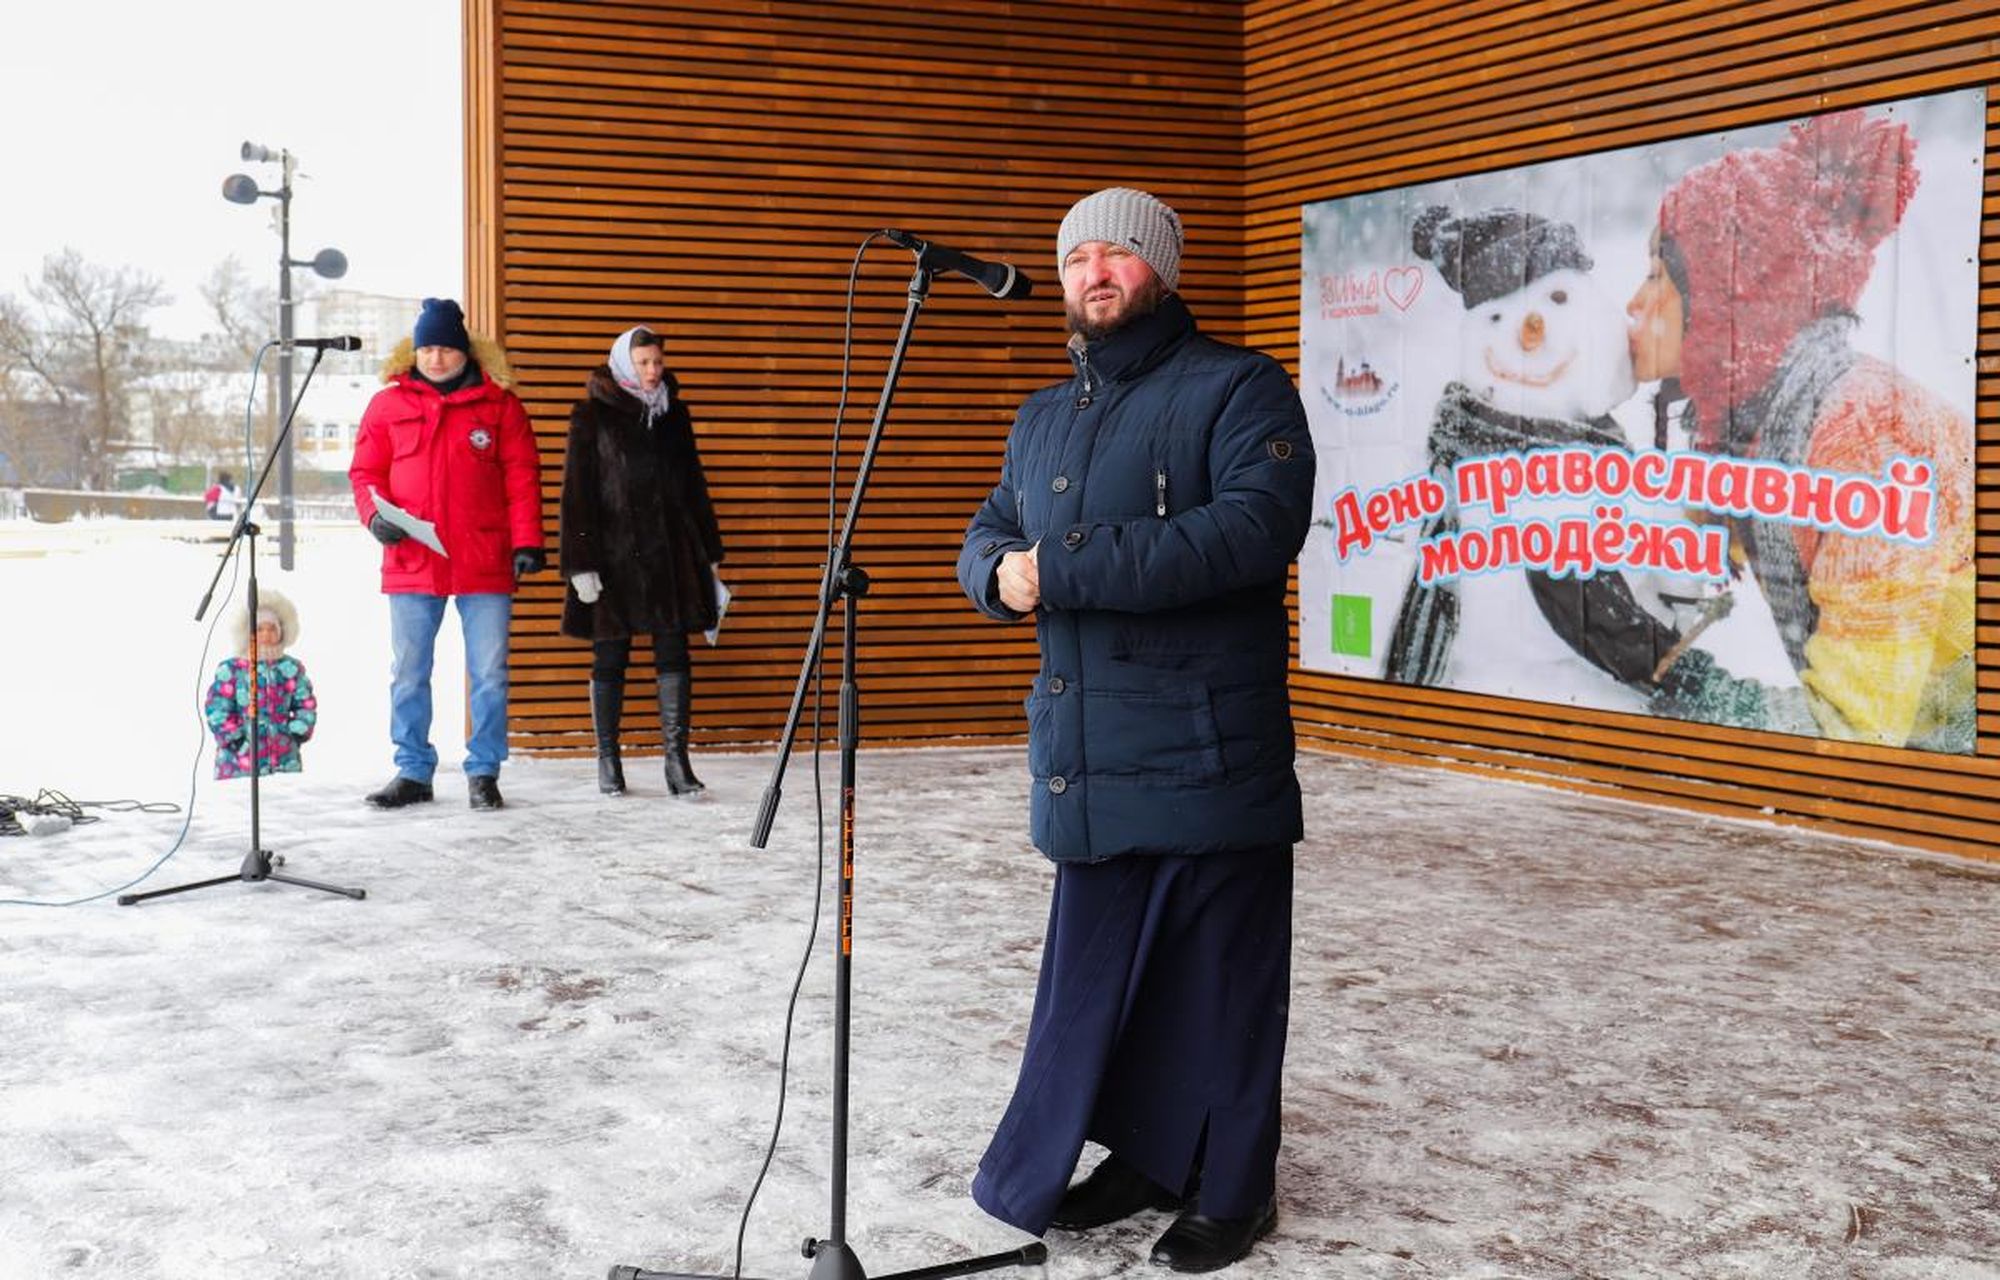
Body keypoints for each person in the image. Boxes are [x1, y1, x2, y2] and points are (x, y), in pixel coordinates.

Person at [956, 188, 1314, 1273]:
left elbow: (1255, 528)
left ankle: (1233, 1185)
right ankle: (1152, 1153)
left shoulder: (1238, 387)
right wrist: (991, 578)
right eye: (1073, 259)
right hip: (1086, 751)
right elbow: (989, 531)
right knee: (1103, 979)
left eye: (1115, 253)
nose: (1091, 272)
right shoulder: (1042, 415)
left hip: (1208, 743)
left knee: (1220, 978)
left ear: (1159, 266)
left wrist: (1057, 567)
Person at [1629, 109, 1974, 750]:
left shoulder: (1863, 434)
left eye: (1656, 276)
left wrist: (1680, 685)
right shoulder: (1754, 425)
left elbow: (1850, 737)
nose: (1633, 304)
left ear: (1725, 300)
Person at [349, 297, 547, 811]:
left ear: (465, 352)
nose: (435, 358)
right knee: (409, 670)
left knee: (489, 671)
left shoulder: (500, 405)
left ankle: (484, 771)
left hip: (483, 556)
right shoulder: (386, 405)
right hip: (413, 558)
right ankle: (413, 770)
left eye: (445, 349)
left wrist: (527, 540)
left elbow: (522, 478)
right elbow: (365, 474)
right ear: (413, 351)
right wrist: (375, 518)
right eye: (427, 348)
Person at [559, 325, 725, 796]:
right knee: (610, 654)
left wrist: (709, 555)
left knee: (674, 653)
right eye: (643, 362)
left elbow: (695, 487)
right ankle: (608, 761)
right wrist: (580, 564)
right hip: (613, 557)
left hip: (670, 554)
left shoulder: (674, 415)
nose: (652, 371)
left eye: (657, 362)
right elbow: (577, 495)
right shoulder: (592, 415)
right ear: (623, 363)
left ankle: (677, 763)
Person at [203, 588, 316, 780]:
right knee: (241, 806)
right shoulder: (231, 669)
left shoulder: (290, 668)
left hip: (283, 760)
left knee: (281, 805)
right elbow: (218, 709)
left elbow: (305, 704)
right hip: (239, 763)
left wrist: (296, 734)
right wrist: (235, 740)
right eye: (260, 629)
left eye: (272, 629)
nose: (266, 634)